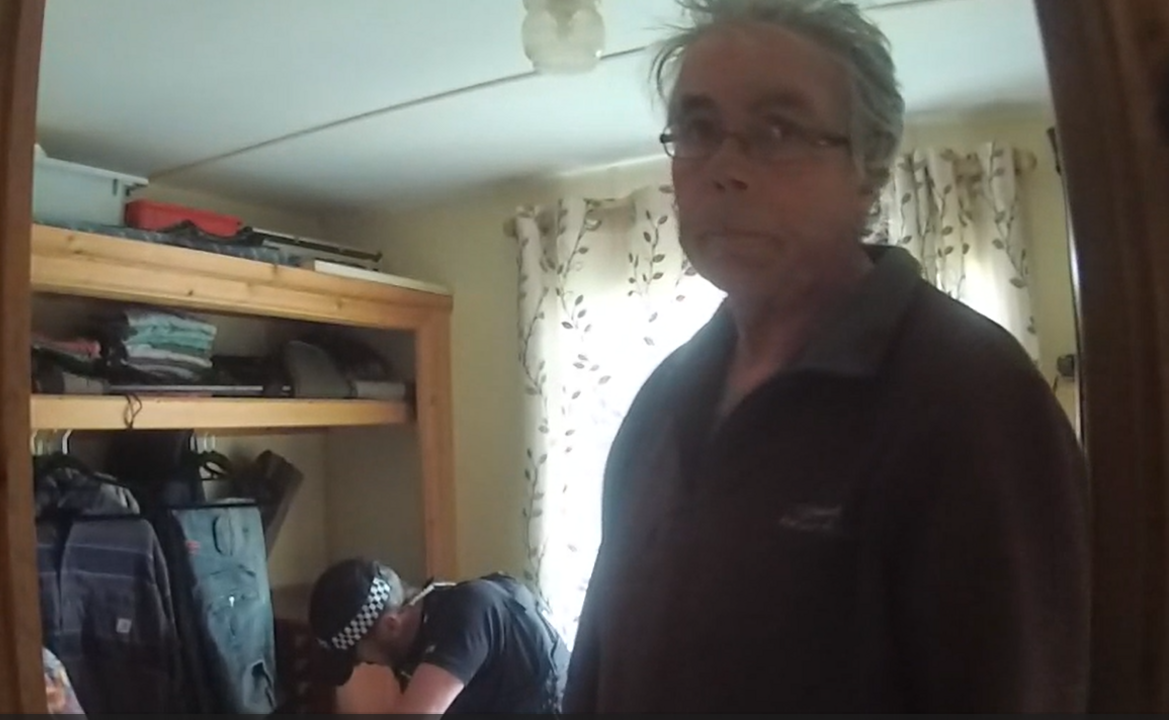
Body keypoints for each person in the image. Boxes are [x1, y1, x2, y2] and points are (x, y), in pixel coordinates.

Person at [563, 0, 1090, 713]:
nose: (725, 168)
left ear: (867, 170)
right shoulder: (663, 397)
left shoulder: (973, 397)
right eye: (697, 129)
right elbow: (599, 669)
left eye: (777, 130)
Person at [307, 557, 570, 714]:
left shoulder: (466, 612)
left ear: (390, 626)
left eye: (358, 656)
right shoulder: (427, 625)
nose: (367, 663)